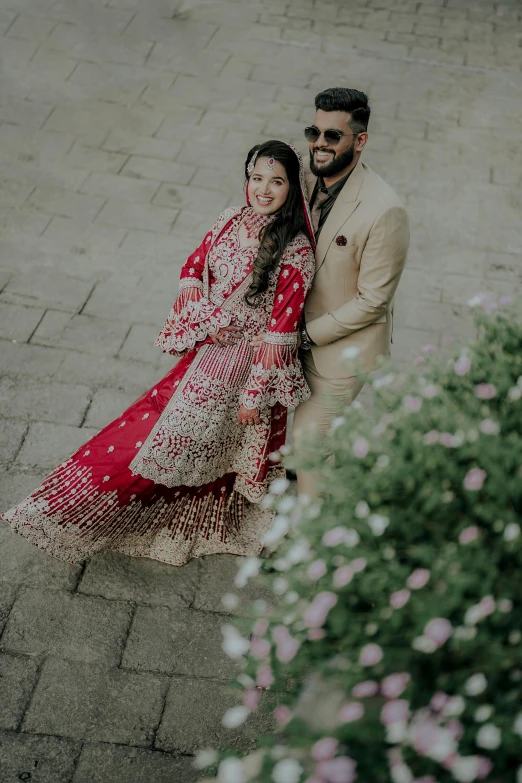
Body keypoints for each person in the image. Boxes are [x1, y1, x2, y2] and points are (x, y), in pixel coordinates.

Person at [1, 141, 316, 566]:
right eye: (256, 178)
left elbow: (281, 331)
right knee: (158, 437)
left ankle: (80, 513)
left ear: (292, 187)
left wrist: (254, 394)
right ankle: (73, 510)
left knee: (164, 444)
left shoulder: (294, 251)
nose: (263, 189)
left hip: (240, 370)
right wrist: (206, 315)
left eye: (276, 181)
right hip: (205, 353)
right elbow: (192, 267)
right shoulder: (229, 220)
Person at [253, 88, 410, 497]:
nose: (319, 144)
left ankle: (309, 549)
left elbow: (373, 300)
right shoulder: (302, 177)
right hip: (285, 332)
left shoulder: (384, 209)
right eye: (314, 131)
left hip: (339, 353)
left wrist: (307, 333)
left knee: (306, 446)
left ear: (360, 140)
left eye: (332, 136)